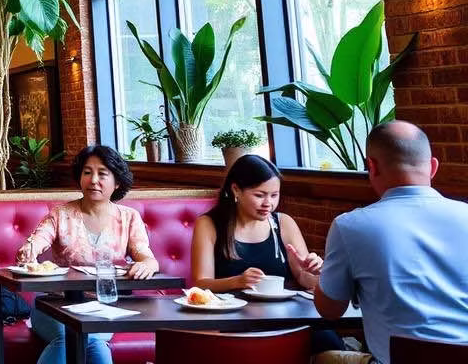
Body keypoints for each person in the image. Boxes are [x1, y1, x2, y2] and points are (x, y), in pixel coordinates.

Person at [298, 121, 468, 364]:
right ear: (432, 167)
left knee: (320, 358)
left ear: (372, 167)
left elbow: (330, 311)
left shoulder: (350, 226)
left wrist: (317, 281)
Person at [17, 146, 159, 364]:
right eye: (87, 172)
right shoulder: (60, 214)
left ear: (117, 182)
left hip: (103, 306)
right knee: (67, 338)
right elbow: (38, 240)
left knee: (92, 340)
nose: (93, 180)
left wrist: (148, 264)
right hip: (53, 304)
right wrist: (29, 250)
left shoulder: (129, 218)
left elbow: (145, 256)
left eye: (102, 174)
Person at [190, 154, 343, 354]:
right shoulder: (209, 224)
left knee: (329, 342)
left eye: (274, 195)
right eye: (260, 195)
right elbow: (200, 283)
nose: (268, 203)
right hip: (234, 317)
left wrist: (314, 271)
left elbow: (304, 278)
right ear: (236, 190)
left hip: (287, 316)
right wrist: (237, 281)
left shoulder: (283, 223)